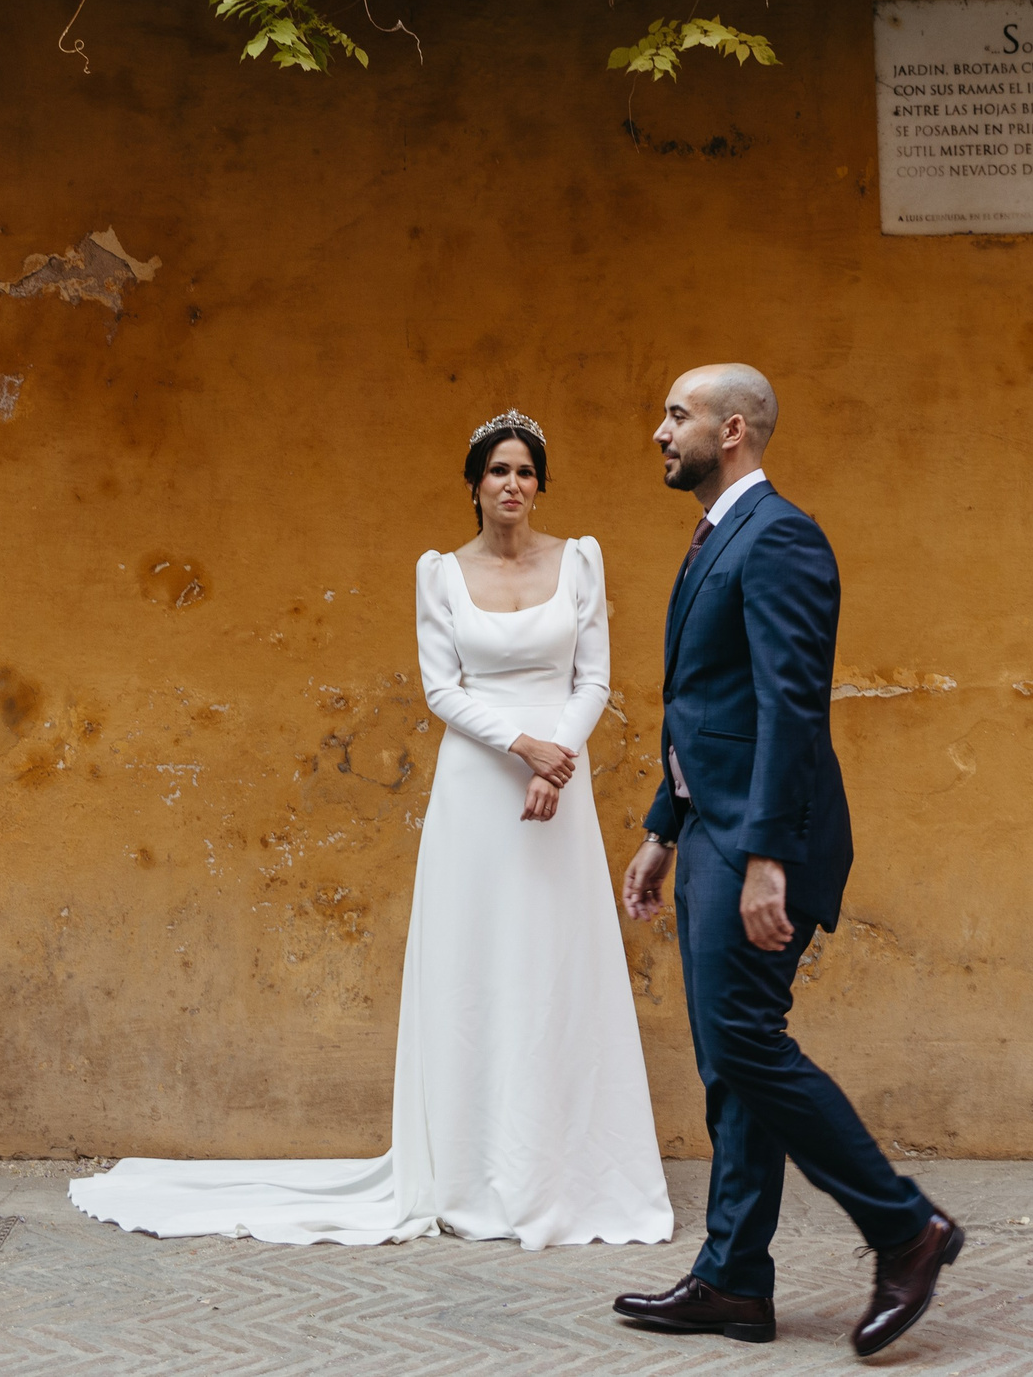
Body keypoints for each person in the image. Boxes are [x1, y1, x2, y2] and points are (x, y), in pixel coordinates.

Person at [70, 410, 672, 1250]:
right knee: (475, 964)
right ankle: (467, 1167)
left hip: (556, 790)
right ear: (473, 484)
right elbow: (441, 689)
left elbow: (595, 675)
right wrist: (522, 743)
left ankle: (560, 1166)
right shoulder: (439, 573)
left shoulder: (579, 561)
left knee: (554, 964)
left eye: (526, 471)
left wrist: (556, 756)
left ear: (539, 483)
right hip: (477, 790)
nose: (512, 484)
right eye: (497, 470)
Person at [612, 365, 962, 1355]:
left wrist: (765, 856)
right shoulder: (720, 536)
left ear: (731, 430)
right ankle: (732, 1280)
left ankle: (906, 1229)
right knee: (733, 1059)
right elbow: (707, 707)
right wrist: (661, 829)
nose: (658, 431)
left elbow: (789, 707)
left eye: (675, 415)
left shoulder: (781, 539)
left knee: (747, 1042)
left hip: (765, 835)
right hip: (715, 823)